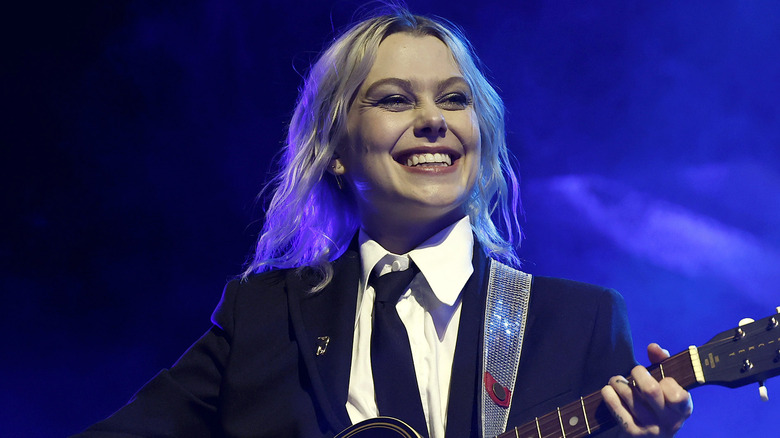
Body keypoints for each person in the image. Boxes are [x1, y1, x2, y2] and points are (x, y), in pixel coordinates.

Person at [74, 6, 692, 438]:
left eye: (455, 98)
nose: (433, 119)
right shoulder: (264, 316)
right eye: (396, 99)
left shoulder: (578, 321)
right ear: (336, 148)